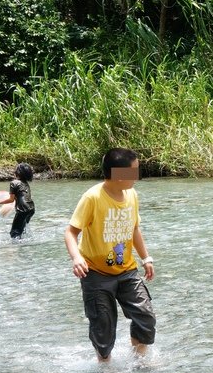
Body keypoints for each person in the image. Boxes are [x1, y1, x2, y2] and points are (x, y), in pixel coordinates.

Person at [64, 148, 156, 362]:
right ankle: (105, 369)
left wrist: (146, 258)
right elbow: (71, 232)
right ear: (118, 174)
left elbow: (134, 229)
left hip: (127, 271)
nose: (137, 176)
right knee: (103, 326)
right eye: (134, 171)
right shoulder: (92, 197)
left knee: (146, 316)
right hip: (96, 274)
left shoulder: (132, 195)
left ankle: (140, 363)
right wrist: (77, 258)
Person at [0, 162, 36, 239]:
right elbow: (22, 196)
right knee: (22, 229)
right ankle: (25, 242)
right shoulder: (25, 183)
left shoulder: (14, 183)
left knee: (14, 233)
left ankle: (17, 248)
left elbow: (11, 200)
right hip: (31, 209)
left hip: (22, 210)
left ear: (18, 172)